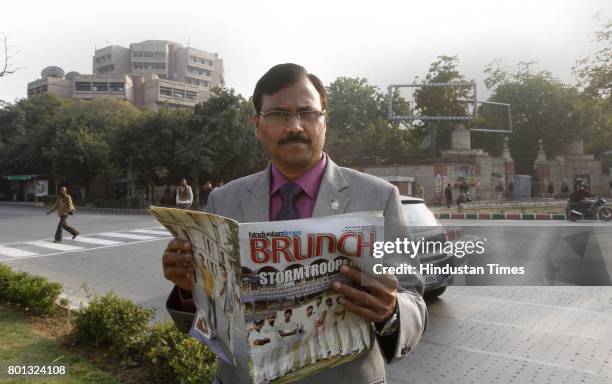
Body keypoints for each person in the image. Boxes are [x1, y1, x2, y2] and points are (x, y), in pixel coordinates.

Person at [162, 63, 427, 384]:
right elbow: (211, 316)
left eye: (307, 113)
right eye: (278, 114)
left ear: (324, 122)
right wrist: (189, 289)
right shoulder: (224, 201)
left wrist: (391, 311)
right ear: (257, 124)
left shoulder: (378, 197)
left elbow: (413, 296)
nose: (295, 126)